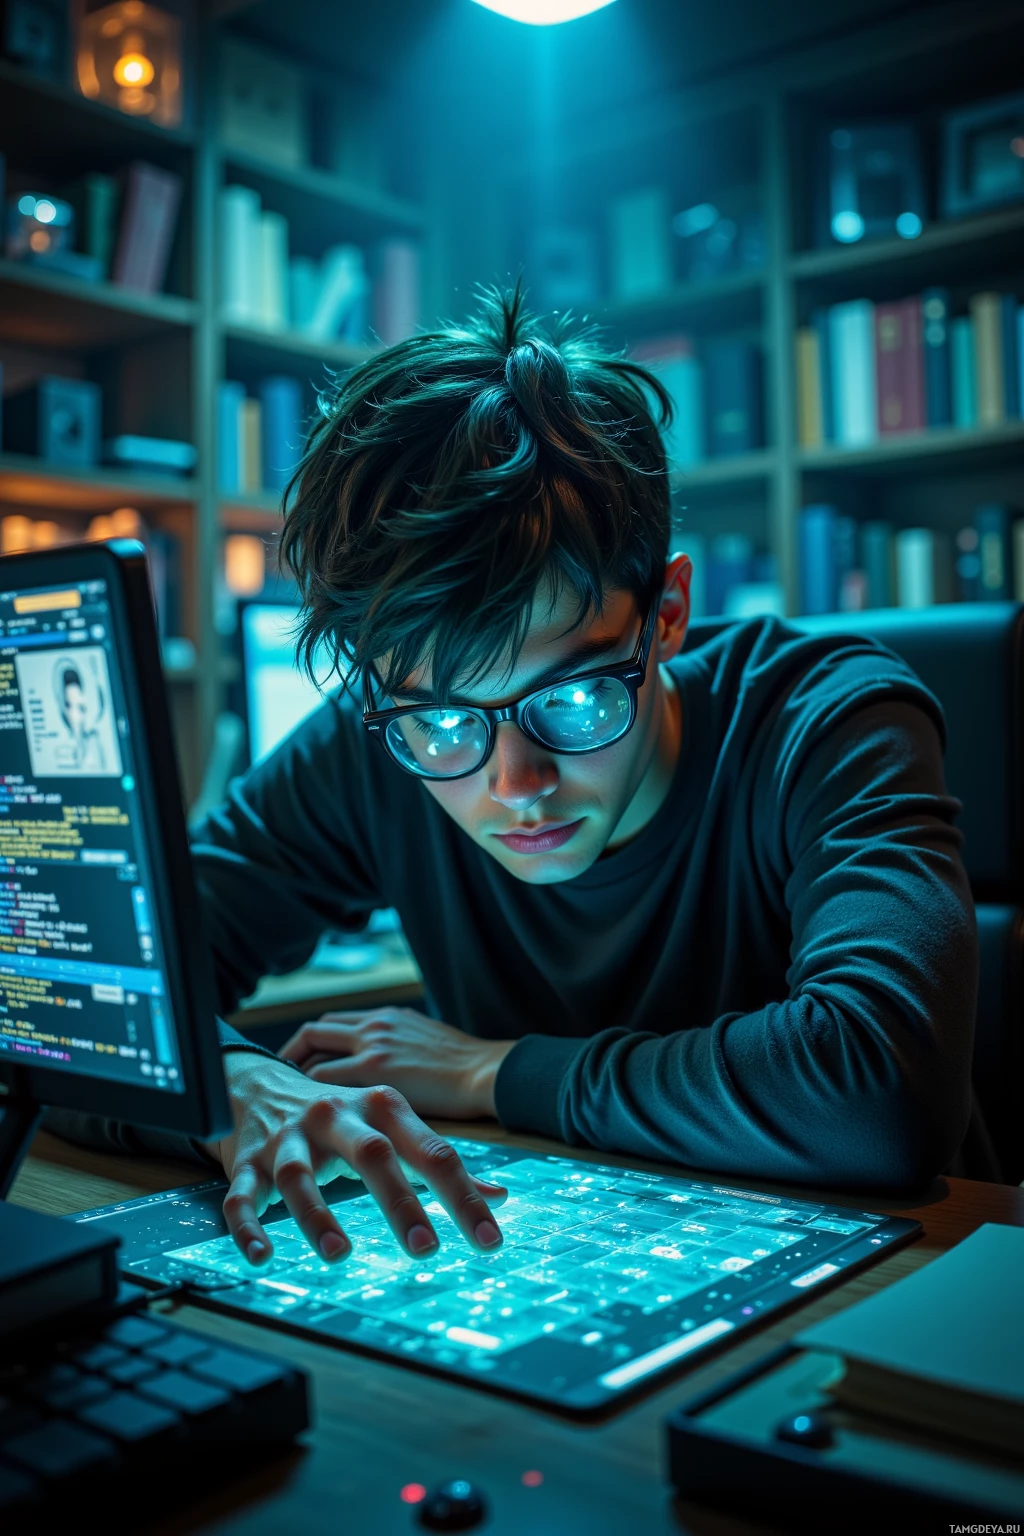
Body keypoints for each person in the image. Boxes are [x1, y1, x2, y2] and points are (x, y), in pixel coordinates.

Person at [54, 287, 977, 1268]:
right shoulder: (376, 742)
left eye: (573, 701)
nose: (515, 783)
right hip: (541, 1254)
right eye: (445, 720)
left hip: (891, 1288)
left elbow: (877, 1089)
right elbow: (67, 998)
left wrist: (495, 1074)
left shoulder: (823, 717)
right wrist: (225, 1084)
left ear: (665, 613)